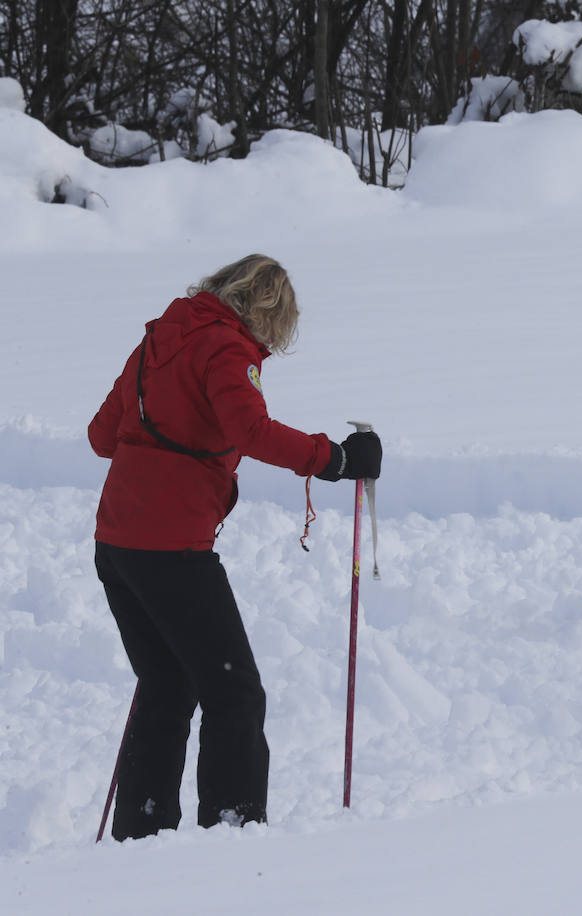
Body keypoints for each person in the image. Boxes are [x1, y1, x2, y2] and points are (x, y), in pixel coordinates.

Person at [88, 254, 382, 840]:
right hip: (173, 550)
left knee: (168, 687)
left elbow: (102, 437)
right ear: (267, 310)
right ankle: (232, 832)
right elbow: (249, 429)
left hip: (117, 545)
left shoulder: (160, 335)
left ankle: (139, 839)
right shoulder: (226, 346)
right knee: (235, 692)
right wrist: (338, 459)